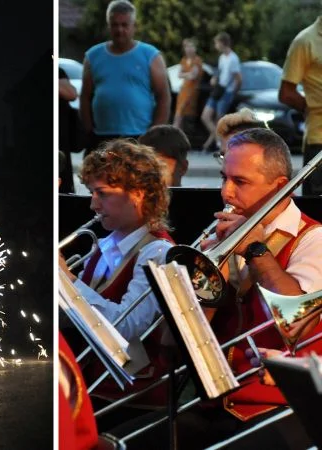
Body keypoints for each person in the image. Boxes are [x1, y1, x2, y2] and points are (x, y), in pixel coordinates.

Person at [112, 129, 322, 449]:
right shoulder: (224, 234)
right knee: (116, 444)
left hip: (281, 406)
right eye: (224, 178)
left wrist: (256, 252)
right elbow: (175, 343)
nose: (226, 192)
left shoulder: (313, 239)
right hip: (217, 401)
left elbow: (298, 320)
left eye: (241, 182)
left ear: (280, 188)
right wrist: (207, 284)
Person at [58, 139, 174, 414]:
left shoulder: (158, 251)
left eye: (103, 193)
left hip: (133, 397)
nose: (92, 205)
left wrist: (69, 283)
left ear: (138, 194)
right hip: (94, 384)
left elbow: (126, 327)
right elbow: (75, 319)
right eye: (92, 193)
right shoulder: (105, 243)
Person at [80, 0, 170, 156]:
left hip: (139, 136)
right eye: (115, 25)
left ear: (134, 26)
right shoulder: (93, 56)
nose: (119, 29)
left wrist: (154, 134)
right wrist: (89, 130)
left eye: (124, 24)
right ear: (108, 26)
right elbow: (85, 97)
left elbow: (163, 96)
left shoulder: (150, 55)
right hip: (101, 137)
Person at [279, 16, 322, 195]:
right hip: (319, 141)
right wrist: (311, 108)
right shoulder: (305, 41)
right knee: (317, 215)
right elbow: (286, 93)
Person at [201, 32, 242, 152]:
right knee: (206, 116)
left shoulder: (233, 58)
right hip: (218, 89)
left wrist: (233, 92)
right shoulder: (222, 57)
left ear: (223, 43)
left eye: (217, 43)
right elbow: (220, 72)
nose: (215, 46)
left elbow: (238, 78)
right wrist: (215, 78)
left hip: (226, 91)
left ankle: (214, 144)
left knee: (219, 119)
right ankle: (217, 140)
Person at [173, 38, 203, 130]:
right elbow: (179, 74)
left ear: (195, 48)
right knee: (178, 115)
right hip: (183, 90)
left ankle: (175, 132)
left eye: (191, 46)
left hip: (192, 91)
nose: (189, 49)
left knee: (181, 115)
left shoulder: (197, 60)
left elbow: (193, 76)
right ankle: (176, 133)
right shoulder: (184, 60)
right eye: (187, 47)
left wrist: (185, 74)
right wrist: (188, 74)